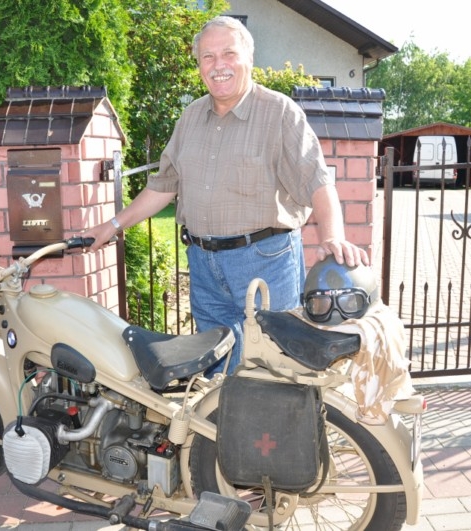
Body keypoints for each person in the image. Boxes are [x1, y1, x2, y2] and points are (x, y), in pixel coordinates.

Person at [85, 15, 368, 373]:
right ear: (199, 64)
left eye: (229, 54)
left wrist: (333, 237)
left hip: (265, 263)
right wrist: (111, 226)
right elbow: (163, 185)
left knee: (275, 370)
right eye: (208, 56)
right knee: (216, 374)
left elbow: (317, 182)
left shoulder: (280, 112)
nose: (218, 65)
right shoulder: (190, 118)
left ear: (249, 58)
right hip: (203, 266)